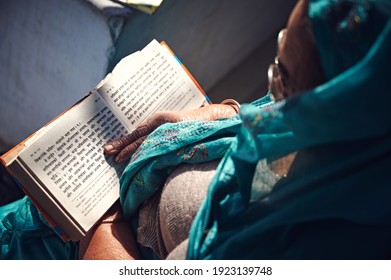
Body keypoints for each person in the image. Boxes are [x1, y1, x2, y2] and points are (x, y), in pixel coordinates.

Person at [1, 0, 391, 259]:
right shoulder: (360, 129)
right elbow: (272, 115)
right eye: (280, 46)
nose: (271, 96)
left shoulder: (299, 245)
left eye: (283, 80)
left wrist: (102, 217)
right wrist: (223, 114)